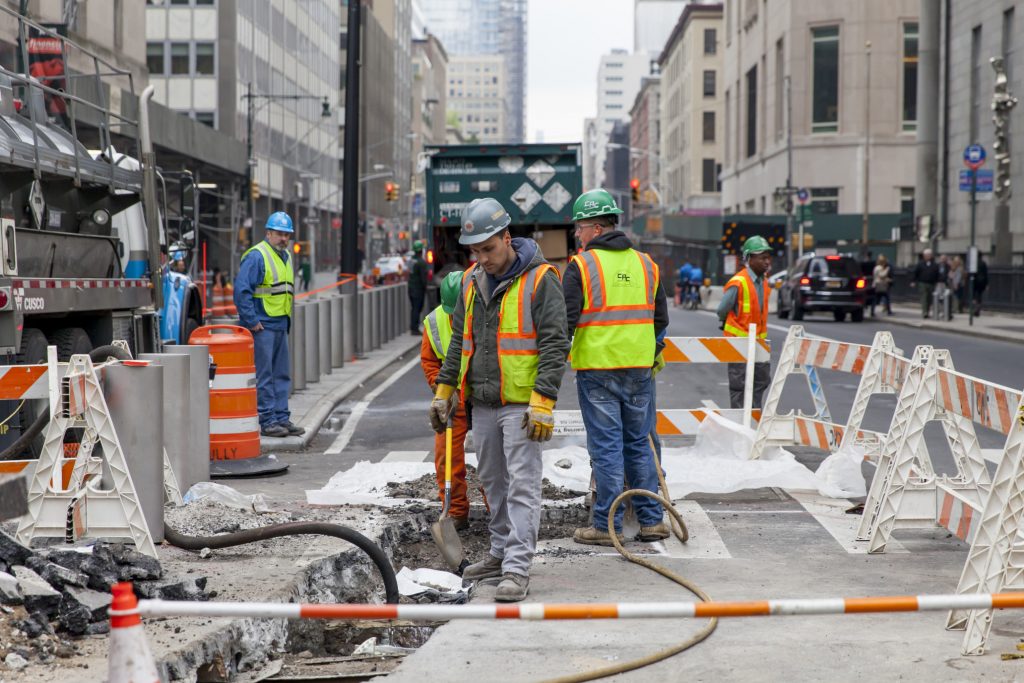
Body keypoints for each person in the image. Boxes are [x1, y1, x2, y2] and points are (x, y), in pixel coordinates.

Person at [429, 197, 569, 603]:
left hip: (523, 403)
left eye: (488, 249)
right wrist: (445, 390)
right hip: (485, 402)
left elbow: (555, 343)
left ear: (507, 237)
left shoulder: (542, 280)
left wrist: (543, 399)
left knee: (523, 484)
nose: (482, 258)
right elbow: (459, 341)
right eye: (475, 251)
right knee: (492, 482)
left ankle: (517, 567)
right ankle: (498, 552)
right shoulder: (472, 282)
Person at [561, 189, 670, 547]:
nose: (577, 234)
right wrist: (648, 353)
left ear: (594, 228)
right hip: (639, 369)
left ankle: (606, 524)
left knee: (607, 448)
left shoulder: (581, 266)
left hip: (598, 371)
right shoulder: (646, 264)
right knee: (638, 444)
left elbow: (566, 322)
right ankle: (652, 521)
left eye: (579, 228)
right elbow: (660, 320)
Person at [234, 212, 304, 438]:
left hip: (280, 323)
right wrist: (252, 321)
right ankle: (268, 420)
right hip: (263, 326)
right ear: (269, 233)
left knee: (281, 375)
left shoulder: (285, 256)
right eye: (280, 234)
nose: (284, 238)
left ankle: (281, 418)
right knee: (265, 375)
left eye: (287, 235)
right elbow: (241, 291)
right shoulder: (257, 256)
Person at [420, 270, 470, 531]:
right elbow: (429, 361)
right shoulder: (435, 321)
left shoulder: (485, 315)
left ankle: (499, 512)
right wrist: (441, 391)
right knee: (447, 457)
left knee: (493, 460)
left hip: (485, 397)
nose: (453, 317)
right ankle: (456, 512)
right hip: (454, 400)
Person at [716, 236, 772, 410]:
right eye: (762, 257)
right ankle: (739, 422)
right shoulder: (738, 282)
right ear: (749, 259)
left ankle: (753, 419)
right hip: (739, 342)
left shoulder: (764, 282)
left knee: (761, 381)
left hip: (759, 342)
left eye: (767, 257)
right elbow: (722, 309)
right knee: (739, 386)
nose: (767, 262)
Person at [911, 248, 939, 319]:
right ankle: (924, 312)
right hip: (922, 283)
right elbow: (915, 273)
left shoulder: (934, 264)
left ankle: (928, 311)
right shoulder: (920, 264)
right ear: (924, 256)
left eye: (929, 255)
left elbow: (937, 274)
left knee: (929, 298)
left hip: (931, 283)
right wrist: (913, 281)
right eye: (926, 255)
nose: (928, 256)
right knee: (924, 297)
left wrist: (937, 282)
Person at [408, 240, 429, 335]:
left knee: (414, 308)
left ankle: (413, 327)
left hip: (411, 287)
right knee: (417, 308)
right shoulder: (421, 262)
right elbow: (423, 278)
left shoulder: (411, 260)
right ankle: (415, 329)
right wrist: (426, 287)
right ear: (421, 251)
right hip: (418, 289)